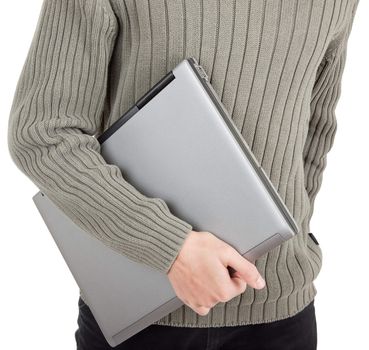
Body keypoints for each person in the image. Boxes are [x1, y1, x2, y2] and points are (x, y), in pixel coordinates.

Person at [7, 0, 359, 349]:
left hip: (281, 312)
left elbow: (314, 131)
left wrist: (287, 246)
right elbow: (42, 135)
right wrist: (172, 247)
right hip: (141, 312)